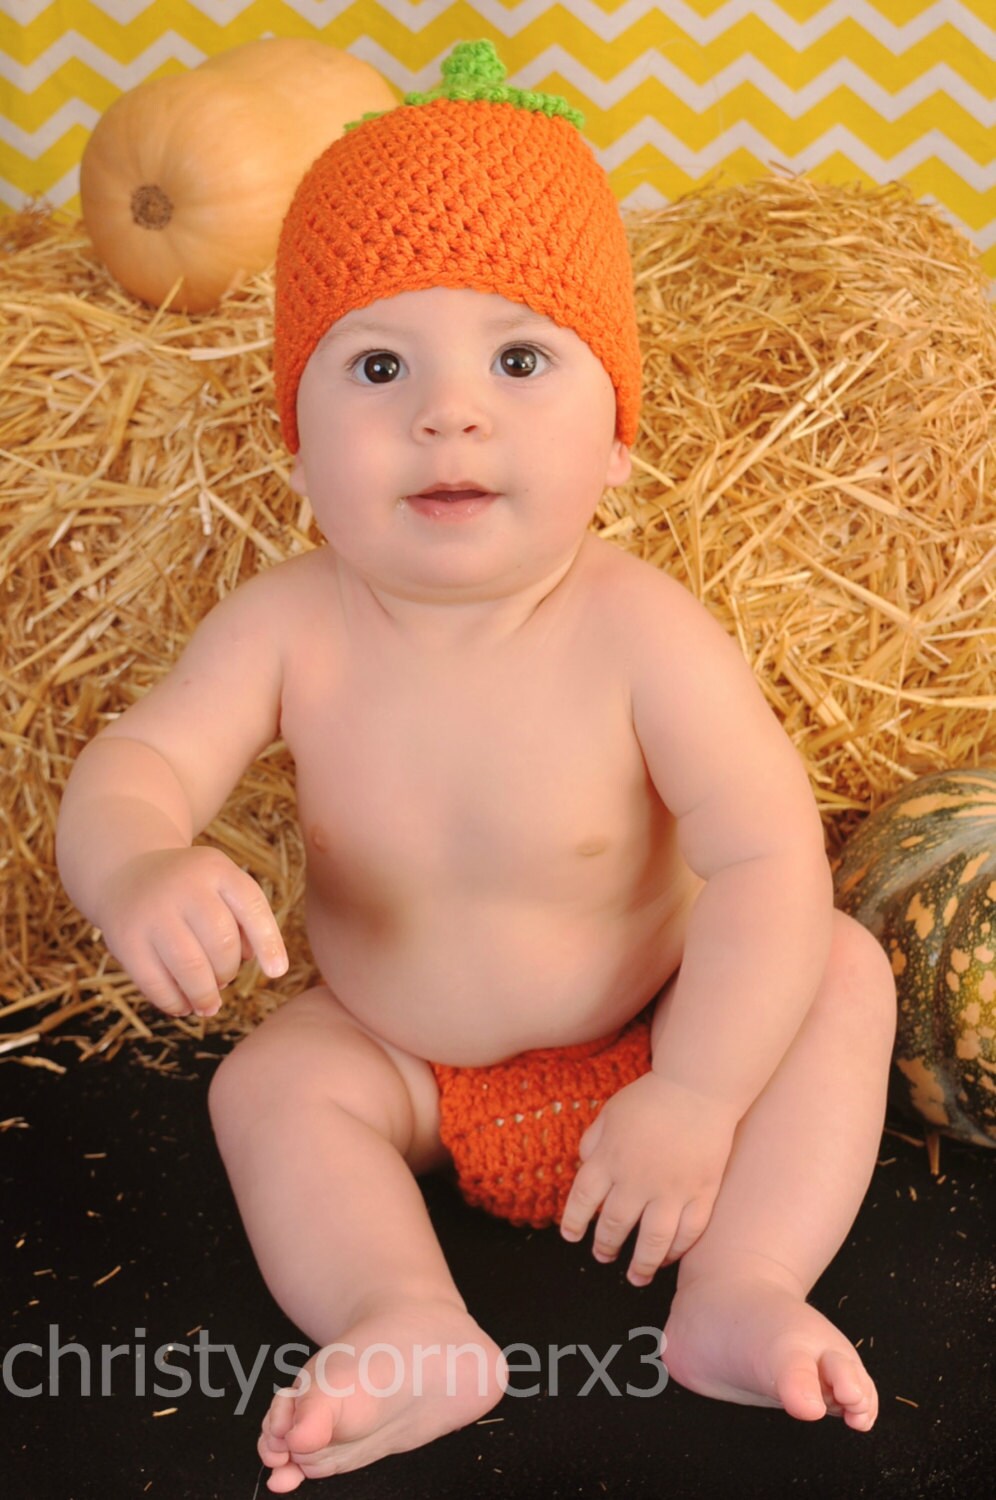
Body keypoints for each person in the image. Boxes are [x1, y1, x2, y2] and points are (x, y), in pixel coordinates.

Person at [56, 41, 897, 1492]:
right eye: (378, 365)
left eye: (520, 358)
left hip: (657, 1029)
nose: (450, 412)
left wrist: (698, 1092)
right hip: (404, 1066)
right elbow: (138, 764)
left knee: (837, 971)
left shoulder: (643, 632)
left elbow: (765, 857)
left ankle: (741, 1290)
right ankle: (409, 1321)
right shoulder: (287, 626)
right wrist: (139, 861)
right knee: (266, 1089)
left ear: (617, 435)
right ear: (297, 443)